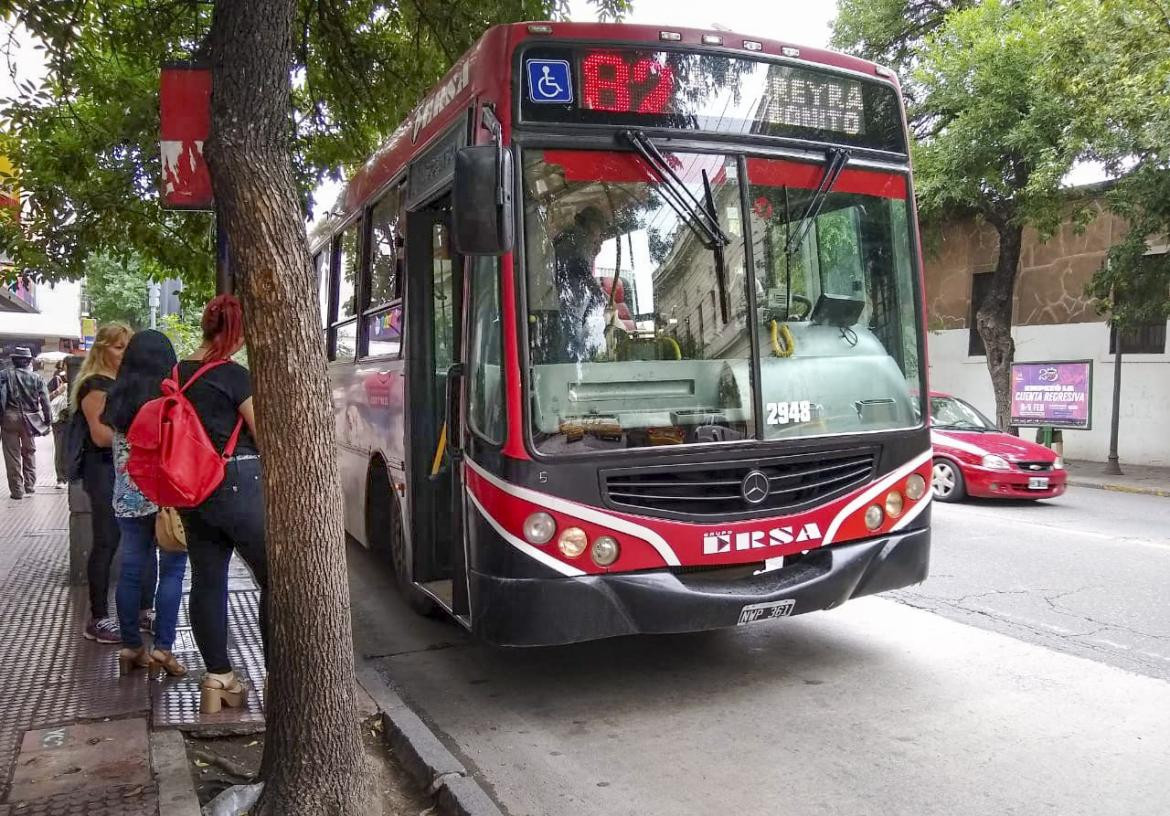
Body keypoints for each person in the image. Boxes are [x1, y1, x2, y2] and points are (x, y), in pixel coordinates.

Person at [178, 294, 268, 713]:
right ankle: (279, 676)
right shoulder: (234, 376)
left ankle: (219, 678)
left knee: (207, 580)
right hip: (235, 483)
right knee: (276, 579)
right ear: (236, 332)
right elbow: (262, 431)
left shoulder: (176, 373)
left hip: (191, 490)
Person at [102, 330, 189, 677]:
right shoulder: (172, 397)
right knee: (172, 571)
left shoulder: (116, 397)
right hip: (167, 497)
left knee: (131, 570)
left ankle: (130, 646)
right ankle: (163, 649)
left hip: (127, 496)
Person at [73, 323, 155, 643]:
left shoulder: (123, 384)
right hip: (104, 469)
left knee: (142, 541)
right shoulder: (96, 385)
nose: (124, 354)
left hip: (125, 467)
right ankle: (98, 617)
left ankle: (143, 610)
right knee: (107, 540)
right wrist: (141, 433)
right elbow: (101, 435)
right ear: (102, 349)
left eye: (127, 347)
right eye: (118, 347)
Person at [552, 205, 609, 361]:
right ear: (588, 223)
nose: (601, 233)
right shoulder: (579, 236)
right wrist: (597, 290)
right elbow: (579, 266)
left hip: (569, 309)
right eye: (599, 225)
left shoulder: (569, 237)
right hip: (569, 310)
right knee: (572, 353)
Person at [1, 347, 52, 500]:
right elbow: (45, 401)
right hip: (30, 420)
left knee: (12, 455)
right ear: (29, 361)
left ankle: (17, 491)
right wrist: (47, 420)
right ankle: (29, 485)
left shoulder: (3, 375)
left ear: (13, 361)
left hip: (9, 418)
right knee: (29, 452)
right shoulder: (37, 378)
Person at [48, 359, 70, 488]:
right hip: (60, 421)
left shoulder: (80, 380)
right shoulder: (56, 380)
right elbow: (45, 397)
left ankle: (72, 476)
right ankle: (61, 478)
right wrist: (58, 391)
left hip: (75, 420)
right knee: (60, 448)